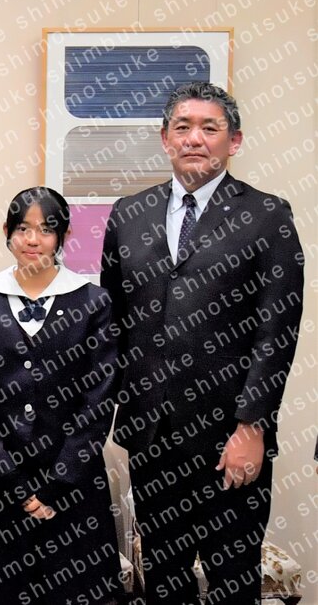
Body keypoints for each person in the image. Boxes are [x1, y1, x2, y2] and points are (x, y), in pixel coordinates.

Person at [101, 82, 304, 604]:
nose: (195, 138)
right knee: (164, 579)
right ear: (165, 138)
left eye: (209, 128)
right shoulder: (128, 214)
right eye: (183, 127)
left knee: (232, 578)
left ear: (234, 141)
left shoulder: (268, 215)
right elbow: (114, 325)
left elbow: (277, 331)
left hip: (228, 437)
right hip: (152, 434)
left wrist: (252, 426)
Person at [0, 187, 122, 605]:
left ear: (64, 235)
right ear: (7, 232)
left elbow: (99, 399)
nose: (33, 240)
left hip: (74, 483)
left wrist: (58, 484)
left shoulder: (94, 302)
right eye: (23, 229)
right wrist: (13, 483)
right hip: (1, 486)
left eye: (46, 230)